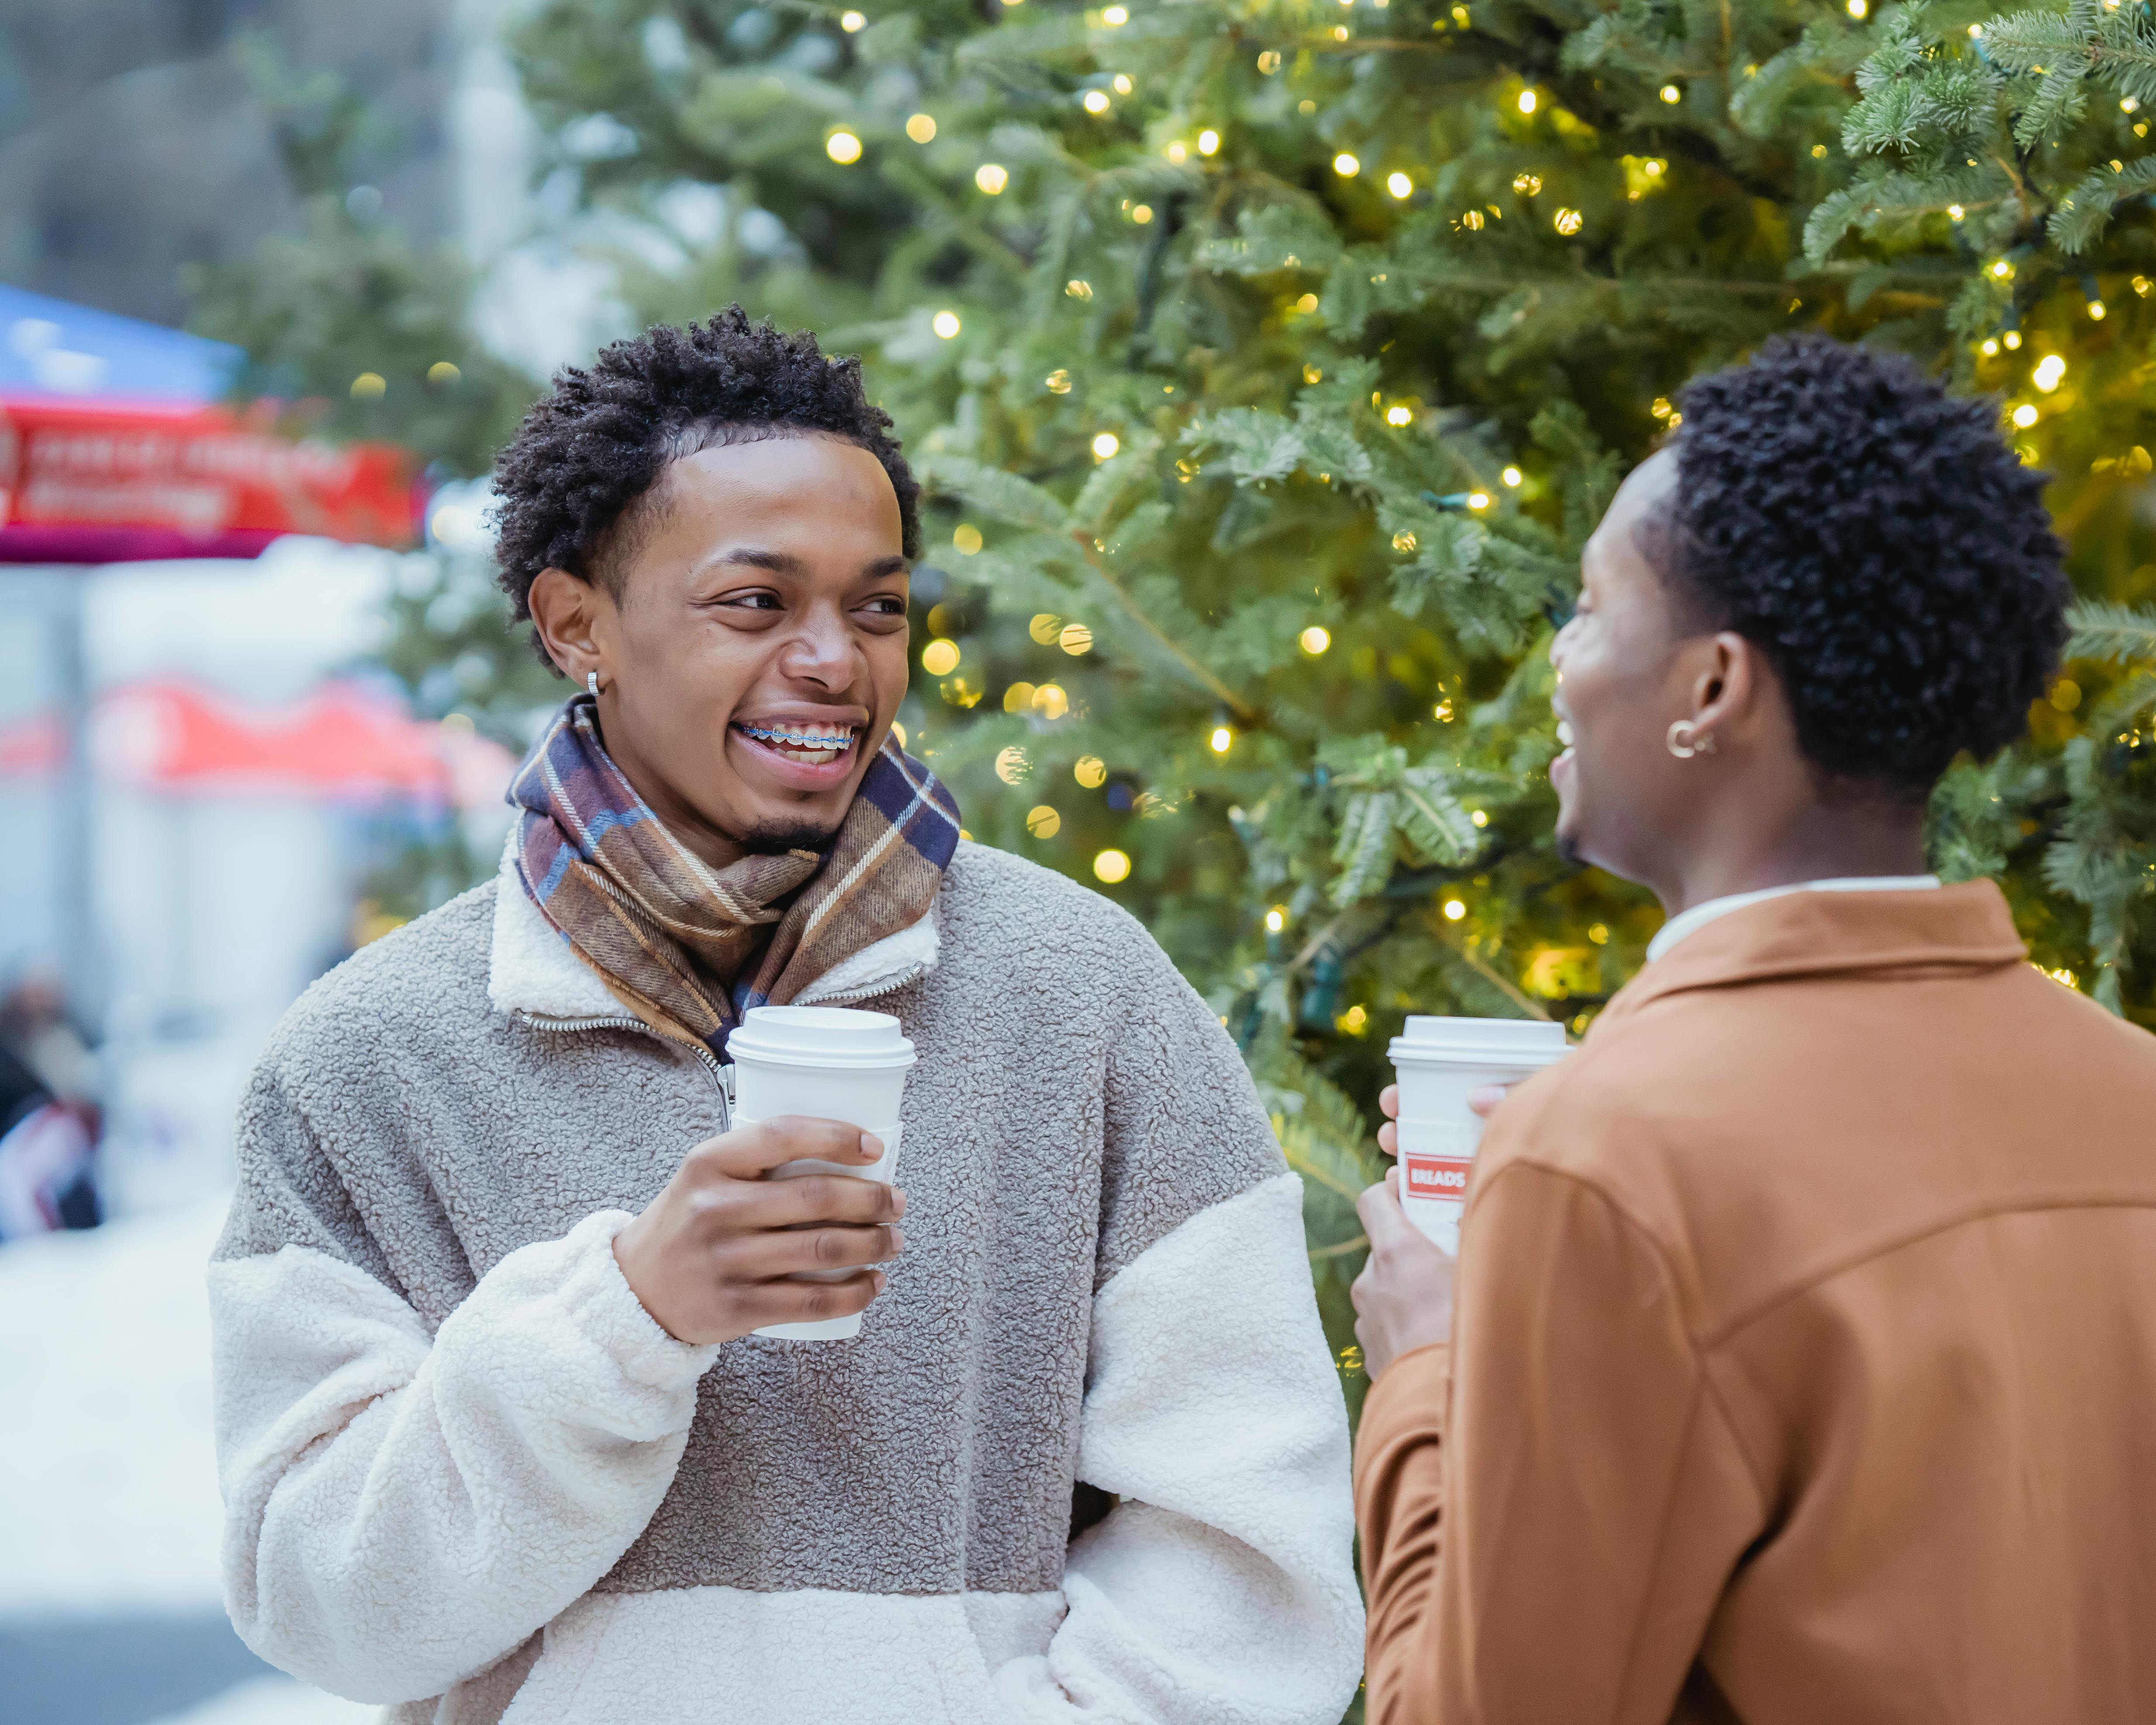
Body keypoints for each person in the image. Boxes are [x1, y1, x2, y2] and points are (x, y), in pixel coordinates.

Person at [210, 309, 1363, 1725]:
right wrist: (626, 1320)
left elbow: (1253, 1556)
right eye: (756, 603)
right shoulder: (370, 1061)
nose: (835, 660)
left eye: (875, 607)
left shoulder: (1084, 996)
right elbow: (324, 1609)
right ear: (579, 624)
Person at [1349, 335, 2156, 1723]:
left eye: (1588, 611)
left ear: (1711, 687)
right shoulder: (2142, 1103)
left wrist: (1426, 1373)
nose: (1560, 666)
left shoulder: (1607, 1160)